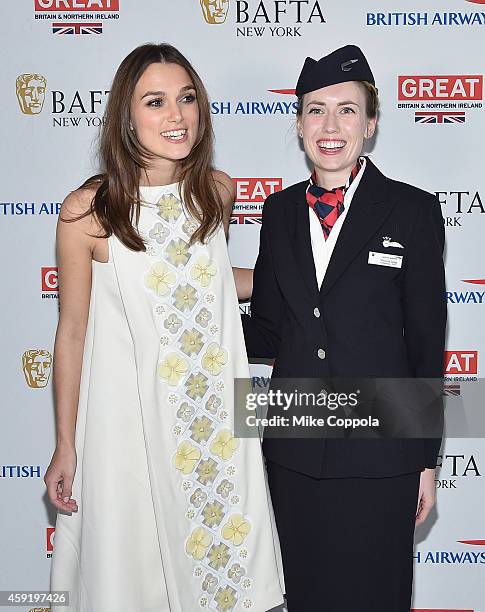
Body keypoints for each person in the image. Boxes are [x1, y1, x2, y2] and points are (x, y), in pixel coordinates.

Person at [44, 43, 284, 612]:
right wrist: (63, 444)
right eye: (155, 102)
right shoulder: (87, 211)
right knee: (131, 575)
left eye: (187, 99)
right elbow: (72, 332)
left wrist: (308, 282)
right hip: (127, 423)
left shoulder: (217, 191)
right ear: (125, 117)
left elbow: (204, 280)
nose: (176, 116)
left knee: (221, 573)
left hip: (212, 423)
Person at [242, 45, 446, 611]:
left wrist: (426, 459)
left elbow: (427, 344)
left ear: (371, 122)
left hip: (383, 458)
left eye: (347, 110)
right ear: (300, 121)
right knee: (305, 599)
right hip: (295, 453)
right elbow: (270, 332)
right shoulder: (277, 212)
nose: (330, 126)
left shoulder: (412, 211)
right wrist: (184, 309)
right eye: (315, 109)